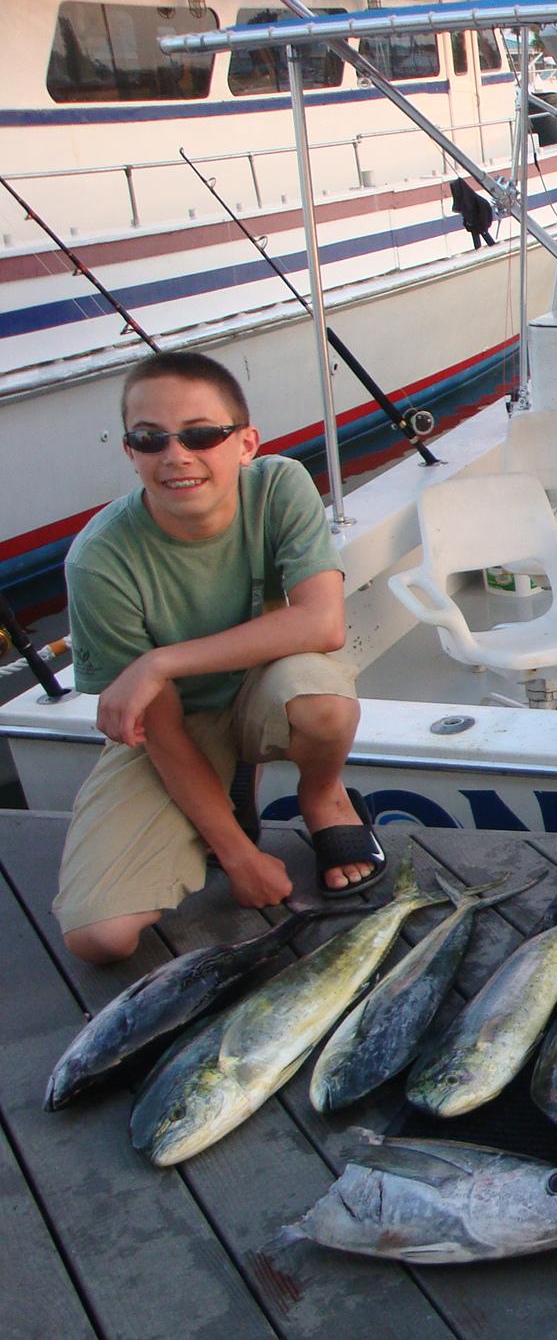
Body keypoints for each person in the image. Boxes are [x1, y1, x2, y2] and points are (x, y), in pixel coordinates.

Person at [55, 351, 382, 966]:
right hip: (181, 726)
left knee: (319, 698)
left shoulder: (280, 485)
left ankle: (323, 797)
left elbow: (323, 622)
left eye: (202, 434)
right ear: (130, 451)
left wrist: (159, 663)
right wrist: (239, 856)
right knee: (101, 940)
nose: (176, 456)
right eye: (150, 439)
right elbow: (163, 725)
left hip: (267, 689)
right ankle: (231, 803)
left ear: (245, 442)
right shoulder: (98, 561)